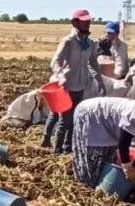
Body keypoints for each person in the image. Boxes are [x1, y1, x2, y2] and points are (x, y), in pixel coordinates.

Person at [41, 9, 105, 154]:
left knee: (73, 117)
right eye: (84, 21)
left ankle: (66, 146)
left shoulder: (89, 43)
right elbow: (55, 61)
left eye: (89, 21)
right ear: (75, 22)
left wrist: (99, 81)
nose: (88, 24)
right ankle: (56, 150)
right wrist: (60, 75)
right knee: (63, 118)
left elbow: (93, 63)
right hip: (65, 85)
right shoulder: (68, 41)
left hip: (80, 85)